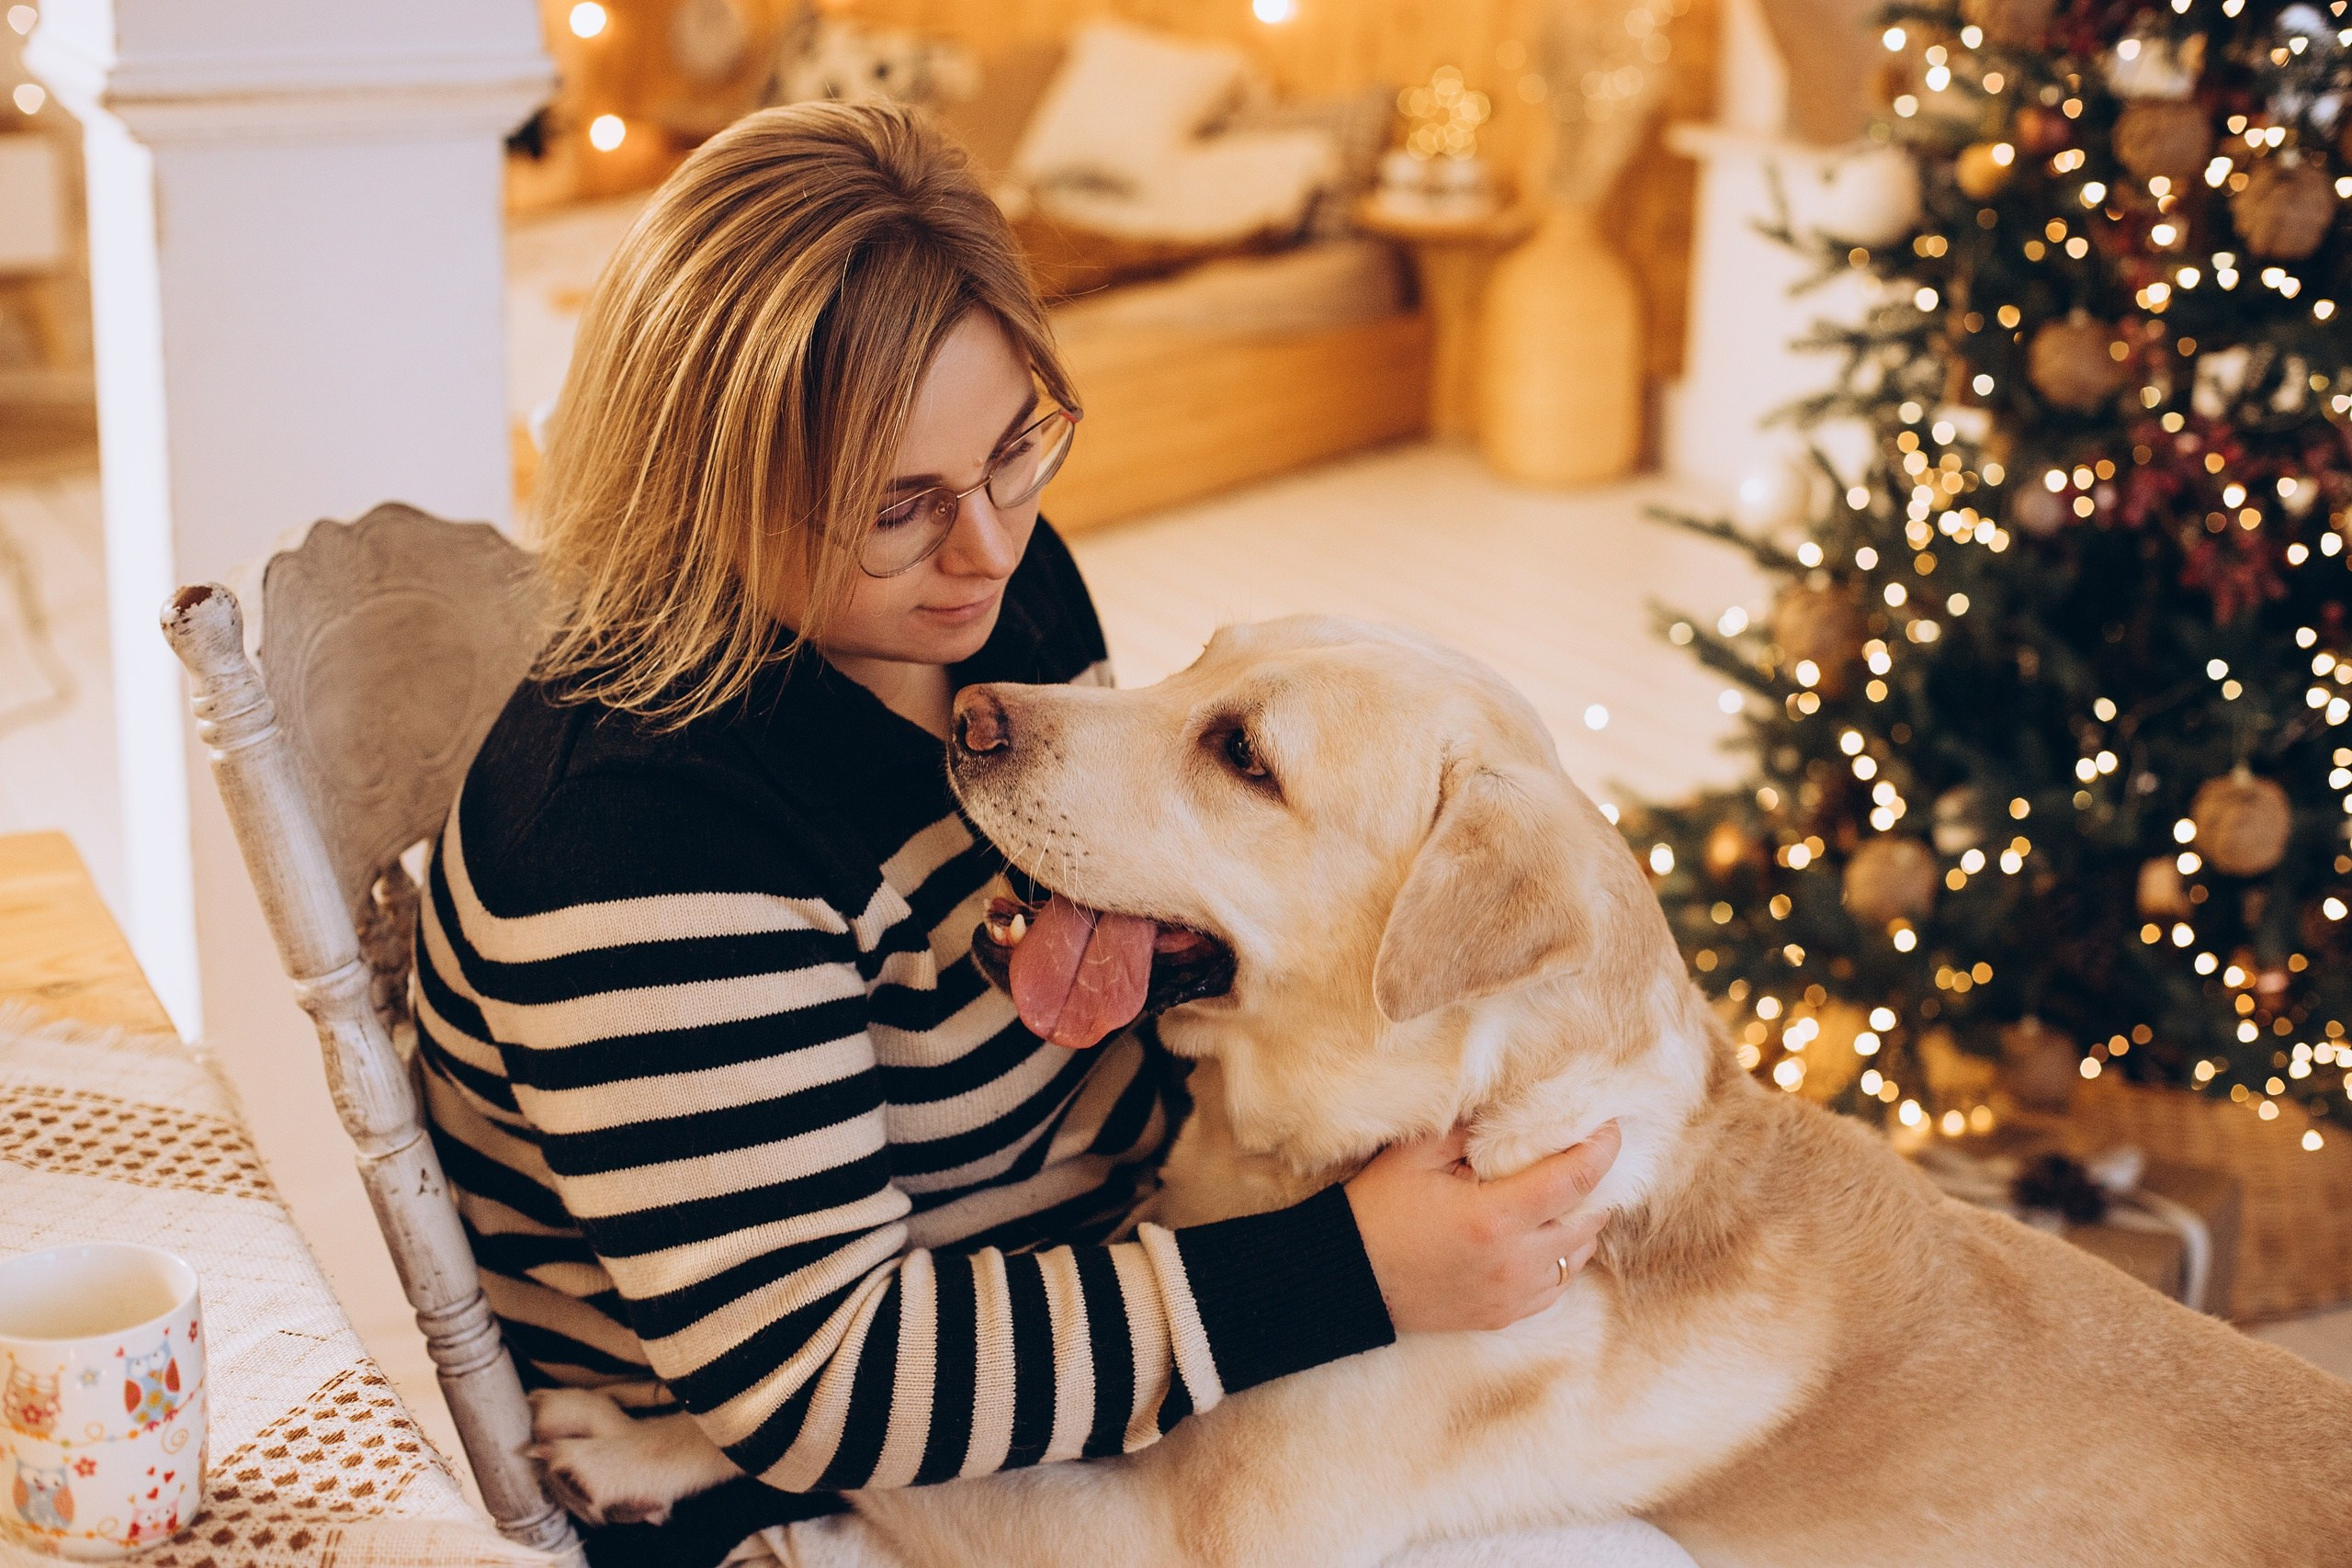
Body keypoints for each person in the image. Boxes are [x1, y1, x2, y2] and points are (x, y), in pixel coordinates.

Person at [414, 100, 1620, 1567]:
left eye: (1014, 449)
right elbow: (821, 1390)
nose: (988, 546)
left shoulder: (994, 597)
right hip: (796, 1480)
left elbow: (1127, 926)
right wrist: (1348, 1273)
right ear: (703, 493)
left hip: (1106, 1304)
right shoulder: (630, 834)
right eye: (897, 505)